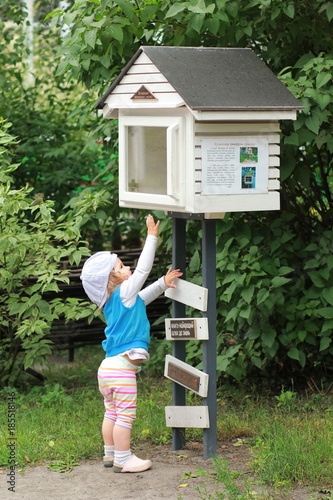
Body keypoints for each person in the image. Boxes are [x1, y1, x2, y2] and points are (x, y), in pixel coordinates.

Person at [80, 214, 182, 473]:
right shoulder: (124, 292)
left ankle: (110, 453)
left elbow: (142, 298)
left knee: (111, 413)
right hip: (121, 369)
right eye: (123, 266)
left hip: (107, 368)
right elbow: (143, 271)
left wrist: (162, 284)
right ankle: (123, 459)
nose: (128, 269)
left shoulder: (116, 302)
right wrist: (152, 237)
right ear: (112, 278)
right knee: (125, 415)